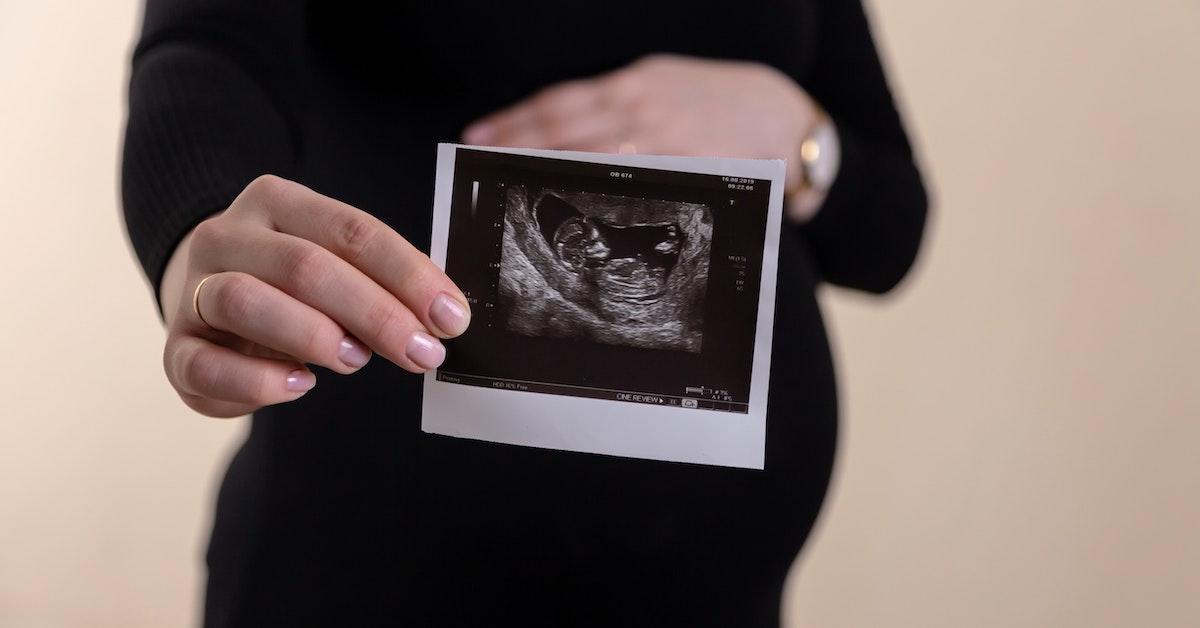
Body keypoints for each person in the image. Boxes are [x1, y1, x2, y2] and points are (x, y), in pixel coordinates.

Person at [122, 1, 927, 626]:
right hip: (368, 564)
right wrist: (199, 232)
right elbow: (207, 49)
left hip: (719, 597)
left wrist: (804, 137)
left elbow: (889, 233)